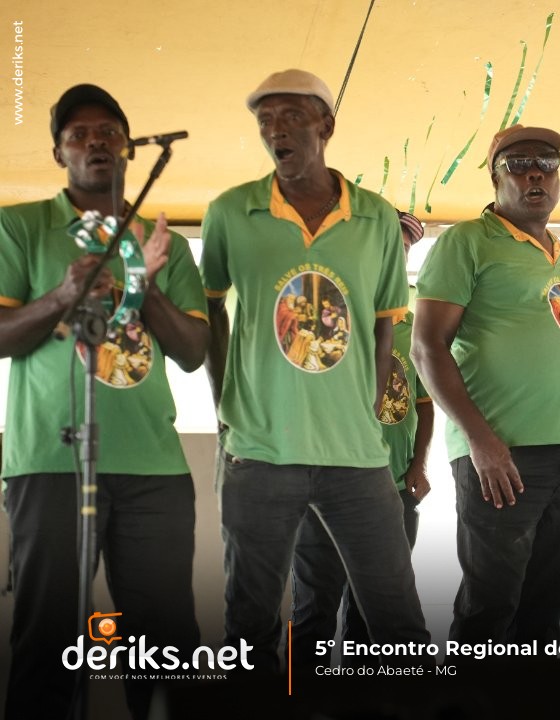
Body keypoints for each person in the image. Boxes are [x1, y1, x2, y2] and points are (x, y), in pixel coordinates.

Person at [201, 69, 429, 673]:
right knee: (250, 627)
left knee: (399, 624)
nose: (276, 130)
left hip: (357, 456)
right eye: (266, 120)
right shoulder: (230, 211)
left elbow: (384, 326)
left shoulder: (375, 218)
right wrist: (225, 407)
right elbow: (210, 309)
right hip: (258, 453)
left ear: (325, 125)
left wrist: (367, 411)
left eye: (292, 117)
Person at [0, 84, 205, 720]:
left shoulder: (163, 241)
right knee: (48, 637)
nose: (96, 142)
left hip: (154, 468)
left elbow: (193, 351)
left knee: (168, 646)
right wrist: (63, 296)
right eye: (79, 134)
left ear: (129, 147)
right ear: (58, 152)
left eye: (109, 132)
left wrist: (145, 283)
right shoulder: (20, 226)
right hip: (51, 461)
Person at [411, 124, 560, 643]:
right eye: (518, 165)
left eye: (546, 163)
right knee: (490, 612)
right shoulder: (466, 242)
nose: (535, 174)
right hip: (503, 456)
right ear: (494, 178)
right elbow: (427, 347)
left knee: (544, 614)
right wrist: (481, 441)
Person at [289, 210, 433, 668]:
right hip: (324, 490)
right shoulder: (327, 316)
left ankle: (365, 699)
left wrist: (419, 464)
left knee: (374, 620)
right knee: (313, 611)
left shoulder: (414, 328)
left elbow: (424, 403)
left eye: (403, 249)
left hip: (393, 491)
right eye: (386, 245)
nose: (395, 256)